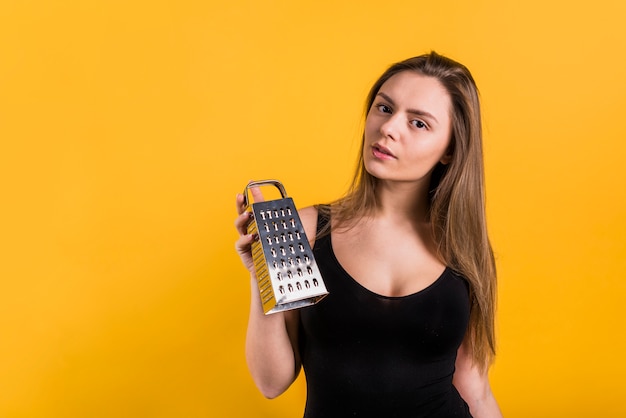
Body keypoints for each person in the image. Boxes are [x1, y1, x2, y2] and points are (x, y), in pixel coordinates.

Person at [234, 51, 503, 418]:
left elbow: (475, 387)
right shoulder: (308, 230)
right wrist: (261, 274)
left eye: (419, 123)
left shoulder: (463, 247)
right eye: (385, 108)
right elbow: (272, 382)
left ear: (450, 149)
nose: (389, 129)